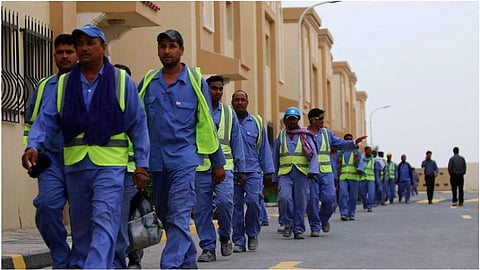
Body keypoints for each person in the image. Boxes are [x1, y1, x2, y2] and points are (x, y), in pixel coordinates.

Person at [22, 24, 150, 269]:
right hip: (76, 165)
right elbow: (45, 119)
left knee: (104, 220)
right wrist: (33, 145)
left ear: (103, 47)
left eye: (90, 43)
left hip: (109, 166)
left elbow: (139, 124)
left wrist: (141, 165)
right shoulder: (63, 84)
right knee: (81, 229)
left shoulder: (121, 81)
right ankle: (79, 263)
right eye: (80, 43)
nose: (84, 48)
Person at [137, 29, 225, 269]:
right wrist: (137, 163)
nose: (167, 51)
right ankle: (187, 259)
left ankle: (170, 265)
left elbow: (206, 123)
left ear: (181, 50)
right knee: (165, 214)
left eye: (172, 46)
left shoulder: (195, 82)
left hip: (184, 161)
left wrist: (217, 163)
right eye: (162, 46)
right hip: (156, 162)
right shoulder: (148, 82)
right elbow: (135, 122)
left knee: (178, 214)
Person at [22, 33, 77, 269]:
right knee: (46, 206)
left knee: (83, 217)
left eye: (69, 52)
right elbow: (33, 122)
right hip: (51, 160)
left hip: (81, 159)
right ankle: (62, 257)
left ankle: (82, 260)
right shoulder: (45, 86)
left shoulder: (88, 83)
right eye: (59, 52)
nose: (64, 56)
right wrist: (31, 148)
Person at [193, 75, 245, 262]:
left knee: (224, 202)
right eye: (213, 88)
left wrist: (242, 169)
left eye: (220, 89)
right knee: (202, 209)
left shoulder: (229, 113)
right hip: (201, 165)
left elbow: (237, 142)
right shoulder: (197, 110)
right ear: (206, 89)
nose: (217, 92)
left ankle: (224, 234)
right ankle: (207, 247)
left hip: (225, 165)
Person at [305, 108, 366, 236]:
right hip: (310, 172)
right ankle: (315, 226)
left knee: (330, 198)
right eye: (321, 118)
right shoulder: (304, 134)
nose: (323, 121)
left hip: (326, 171)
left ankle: (323, 219)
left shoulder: (327, 134)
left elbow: (340, 143)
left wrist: (354, 142)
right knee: (312, 200)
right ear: (313, 120)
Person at [231, 89, 275, 252]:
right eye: (237, 100)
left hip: (253, 171)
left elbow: (264, 149)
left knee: (253, 202)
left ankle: (252, 234)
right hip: (233, 171)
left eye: (243, 99)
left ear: (247, 102)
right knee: (235, 206)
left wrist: (268, 172)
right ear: (232, 103)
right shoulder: (228, 121)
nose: (240, 102)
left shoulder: (256, 122)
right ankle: (238, 240)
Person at [111, 64, 145, 269]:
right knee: (117, 218)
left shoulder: (136, 106)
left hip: (131, 173)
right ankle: (125, 257)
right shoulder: (104, 103)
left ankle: (129, 257)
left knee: (127, 217)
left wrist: (142, 167)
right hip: (109, 169)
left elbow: (142, 137)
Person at [273, 106, 318, 240]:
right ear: (285, 121)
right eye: (289, 119)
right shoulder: (280, 136)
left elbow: (313, 154)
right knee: (284, 198)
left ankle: (298, 229)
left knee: (301, 202)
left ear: (298, 120)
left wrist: (312, 170)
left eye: (294, 119)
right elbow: (275, 157)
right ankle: (288, 224)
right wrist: (273, 177)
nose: (292, 121)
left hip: (301, 173)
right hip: (285, 173)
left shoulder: (305, 135)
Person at [337, 134, 364, 221]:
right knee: (343, 194)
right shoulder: (340, 153)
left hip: (354, 177)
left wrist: (360, 169)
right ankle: (344, 213)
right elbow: (336, 164)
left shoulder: (357, 152)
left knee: (353, 197)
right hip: (343, 177)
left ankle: (351, 213)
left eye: (350, 140)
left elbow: (361, 163)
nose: (348, 142)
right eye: (347, 140)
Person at [360, 146, 381, 212]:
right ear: (365, 151)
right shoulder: (361, 159)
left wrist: (377, 181)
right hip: (362, 178)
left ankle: (370, 206)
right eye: (368, 150)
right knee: (363, 194)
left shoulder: (374, 160)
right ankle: (365, 203)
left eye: (370, 150)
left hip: (371, 179)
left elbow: (376, 171)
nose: (369, 152)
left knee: (371, 193)